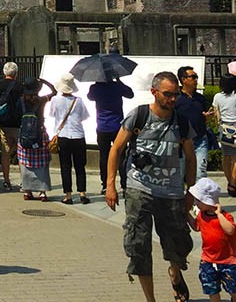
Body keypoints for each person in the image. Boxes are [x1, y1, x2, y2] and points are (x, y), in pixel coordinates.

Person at [106, 71, 196, 302]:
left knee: (178, 242)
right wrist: (110, 185)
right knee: (139, 245)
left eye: (175, 95)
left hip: (172, 191)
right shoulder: (139, 115)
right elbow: (116, 148)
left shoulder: (181, 122)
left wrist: (191, 190)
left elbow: (190, 156)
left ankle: (175, 274)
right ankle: (151, 299)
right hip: (139, 188)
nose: (172, 99)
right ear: (154, 92)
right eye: (167, 94)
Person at [188, 178, 236, 302]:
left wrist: (219, 214)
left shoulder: (225, 217)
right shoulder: (202, 215)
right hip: (208, 260)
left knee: (233, 288)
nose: (196, 203)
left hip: (227, 261)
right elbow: (196, 227)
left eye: (199, 200)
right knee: (211, 288)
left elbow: (230, 230)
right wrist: (186, 214)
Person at [89, 72, 134, 195]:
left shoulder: (95, 88)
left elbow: (90, 97)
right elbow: (130, 94)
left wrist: (97, 82)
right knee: (121, 156)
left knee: (104, 156)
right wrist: (119, 81)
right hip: (118, 127)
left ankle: (105, 185)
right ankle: (124, 185)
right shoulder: (117, 86)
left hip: (102, 126)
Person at [49, 72, 90, 205]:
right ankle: (82, 193)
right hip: (78, 135)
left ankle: (68, 195)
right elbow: (84, 116)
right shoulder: (78, 101)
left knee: (65, 166)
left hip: (63, 136)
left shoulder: (55, 100)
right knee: (80, 166)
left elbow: (52, 114)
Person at [17, 77, 56, 201]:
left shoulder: (21, 100)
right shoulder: (41, 100)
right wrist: (43, 81)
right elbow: (54, 91)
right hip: (39, 133)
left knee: (25, 163)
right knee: (42, 163)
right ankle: (42, 192)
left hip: (24, 134)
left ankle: (27, 191)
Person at [176, 65, 213, 182]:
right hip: (182, 141)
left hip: (200, 140)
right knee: (180, 174)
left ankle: (198, 199)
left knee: (200, 174)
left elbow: (205, 118)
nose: (196, 80)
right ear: (183, 79)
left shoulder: (200, 98)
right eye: (193, 77)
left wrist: (208, 117)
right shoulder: (176, 99)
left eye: (196, 77)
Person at [0, 61, 22, 191]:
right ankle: (24, 181)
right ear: (15, 73)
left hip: (3, 123)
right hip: (17, 123)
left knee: (5, 153)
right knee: (21, 153)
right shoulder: (19, 86)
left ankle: (6, 180)